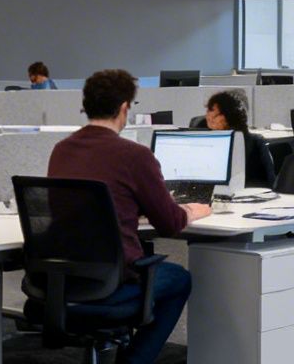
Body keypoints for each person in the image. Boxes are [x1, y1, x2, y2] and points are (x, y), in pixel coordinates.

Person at [48, 69, 211, 364]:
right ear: (124, 107)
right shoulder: (134, 155)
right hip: (111, 284)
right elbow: (170, 224)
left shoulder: (61, 150)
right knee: (179, 279)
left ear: (87, 105)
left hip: (63, 280)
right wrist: (192, 210)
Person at [204, 89, 277, 188]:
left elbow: (269, 182)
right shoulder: (205, 141)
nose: (209, 118)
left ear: (230, 116)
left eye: (216, 115)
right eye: (209, 111)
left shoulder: (253, 142)